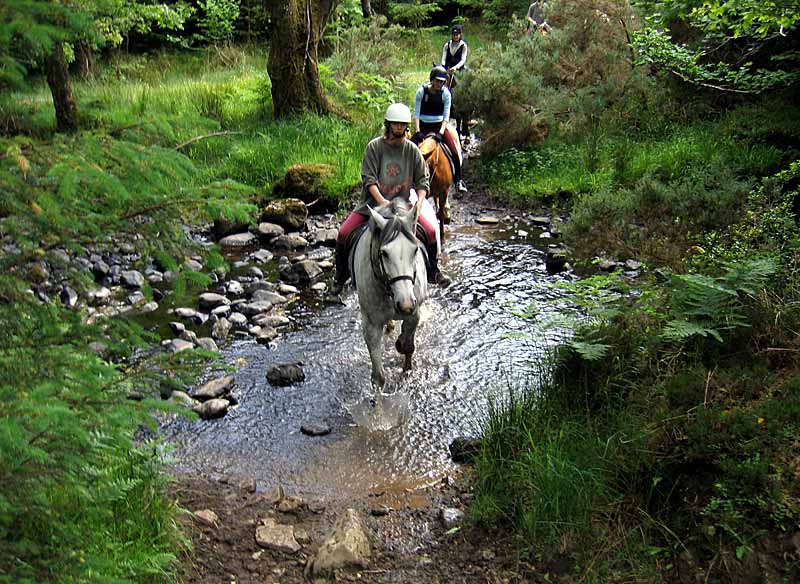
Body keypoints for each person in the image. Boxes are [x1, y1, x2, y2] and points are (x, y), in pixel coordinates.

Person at [333, 103, 451, 292]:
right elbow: (369, 180)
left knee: (429, 232)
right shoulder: (374, 147)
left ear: (406, 126)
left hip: (404, 206)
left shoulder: (412, 150)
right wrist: (382, 202)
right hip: (371, 205)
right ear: (388, 124)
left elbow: (423, 182)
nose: (399, 128)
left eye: (402, 124)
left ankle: (433, 271)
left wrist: (419, 203)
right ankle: (339, 280)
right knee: (344, 233)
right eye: (395, 124)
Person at [412, 65, 467, 194]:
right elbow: (417, 113)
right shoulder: (421, 92)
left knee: (454, 150)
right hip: (423, 126)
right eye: (437, 81)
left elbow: (446, 116)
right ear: (432, 80)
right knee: (408, 149)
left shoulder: (446, 94)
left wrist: (441, 133)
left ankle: (458, 180)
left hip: (439, 126)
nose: (439, 84)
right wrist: (418, 130)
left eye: (442, 82)